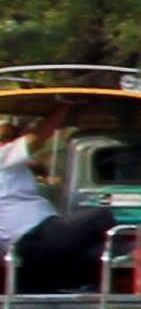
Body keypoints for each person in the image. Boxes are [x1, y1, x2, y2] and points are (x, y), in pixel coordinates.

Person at [0, 114, 114, 295]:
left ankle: (92, 283)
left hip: (26, 246)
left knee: (96, 251)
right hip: (36, 236)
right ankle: (131, 253)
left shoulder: (12, 167)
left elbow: (30, 136)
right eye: (6, 138)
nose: (11, 141)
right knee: (100, 215)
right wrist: (64, 107)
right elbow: (38, 136)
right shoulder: (3, 157)